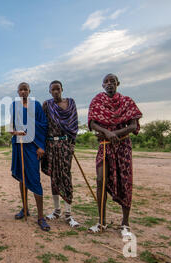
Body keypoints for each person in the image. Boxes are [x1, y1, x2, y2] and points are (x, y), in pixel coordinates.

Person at [87, 74, 142, 237]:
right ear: (102, 85)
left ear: (118, 83)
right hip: (104, 145)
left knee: (125, 182)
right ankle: (101, 221)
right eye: (106, 81)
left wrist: (115, 133)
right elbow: (91, 122)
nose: (109, 84)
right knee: (100, 180)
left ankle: (125, 223)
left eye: (112, 81)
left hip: (123, 145)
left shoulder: (127, 102)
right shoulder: (97, 101)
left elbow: (133, 125)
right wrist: (106, 132)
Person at [10, 82, 50, 231]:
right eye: (20, 89)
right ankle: (25, 209)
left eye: (25, 89)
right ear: (17, 91)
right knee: (22, 177)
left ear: (29, 91)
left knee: (34, 178)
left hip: (33, 146)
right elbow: (12, 127)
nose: (23, 91)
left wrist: (41, 146)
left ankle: (41, 216)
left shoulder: (36, 105)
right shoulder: (14, 106)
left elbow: (43, 125)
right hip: (19, 145)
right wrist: (15, 133)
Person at [41, 80, 80, 228]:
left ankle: (68, 214)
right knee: (54, 176)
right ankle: (57, 210)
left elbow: (74, 124)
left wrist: (71, 145)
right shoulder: (47, 104)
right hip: (51, 144)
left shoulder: (70, 103)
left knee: (65, 176)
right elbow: (43, 125)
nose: (56, 91)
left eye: (58, 89)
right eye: (53, 89)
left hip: (65, 144)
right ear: (50, 91)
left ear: (62, 89)